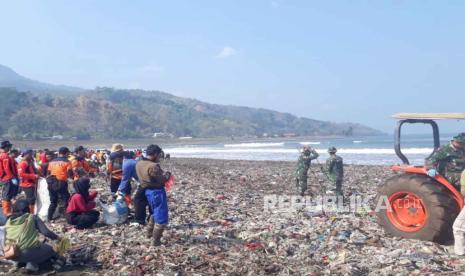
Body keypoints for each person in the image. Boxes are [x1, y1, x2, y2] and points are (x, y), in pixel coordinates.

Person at [5, 199, 64, 273]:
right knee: (51, 250)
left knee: (34, 247)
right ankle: (32, 266)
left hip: (11, 254)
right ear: (27, 208)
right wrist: (58, 238)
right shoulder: (32, 217)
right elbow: (46, 232)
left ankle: (19, 263)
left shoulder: (9, 220)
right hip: (26, 253)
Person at [136, 145, 171, 245]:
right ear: (155, 154)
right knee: (161, 216)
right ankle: (156, 241)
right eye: (159, 155)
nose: (160, 157)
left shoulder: (139, 163)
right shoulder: (153, 166)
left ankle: (149, 234)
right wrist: (167, 175)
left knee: (154, 212)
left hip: (147, 191)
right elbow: (161, 180)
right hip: (157, 192)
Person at [47, 147, 73, 221]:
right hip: (61, 183)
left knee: (53, 201)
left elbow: (48, 173)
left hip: (51, 182)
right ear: (66, 153)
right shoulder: (67, 162)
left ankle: (49, 218)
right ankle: (68, 217)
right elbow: (70, 173)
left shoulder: (52, 162)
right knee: (66, 200)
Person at [0, 141, 19, 216]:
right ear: (6, 147)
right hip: (7, 178)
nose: (10, 149)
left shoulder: (2, 155)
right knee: (7, 196)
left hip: (5, 178)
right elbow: (7, 168)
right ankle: (6, 212)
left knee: (7, 195)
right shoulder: (4, 156)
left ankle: (7, 210)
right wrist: (12, 177)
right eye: (9, 147)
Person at [18, 149, 39, 214]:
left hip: (31, 183)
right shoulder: (22, 163)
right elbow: (21, 174)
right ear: (26, 154)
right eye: (30, 154)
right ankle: (31, 214)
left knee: (32, 199)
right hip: (26, 184)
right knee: (31, 200)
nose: (31, 155)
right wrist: (33, 176)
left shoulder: (29, 162)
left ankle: (31, 212)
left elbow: (34, 170)